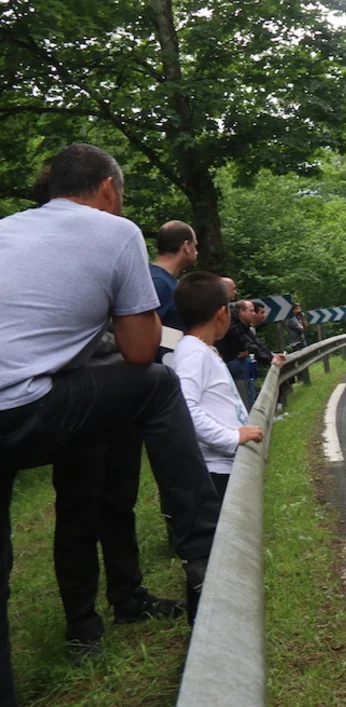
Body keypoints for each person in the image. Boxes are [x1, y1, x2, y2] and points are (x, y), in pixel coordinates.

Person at [0, 144, 221, 707]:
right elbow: (141, 350)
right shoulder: (115, 231)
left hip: (68, 392)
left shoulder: (8, 230)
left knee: (108, 501)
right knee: (155, 388)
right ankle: (203, 556)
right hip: (47, 397)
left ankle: (121, 601)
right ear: (107, 189)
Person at [30, 171, 185, 665]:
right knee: (78, 509)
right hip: (75, 396)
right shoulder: (40, 255)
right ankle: (82, 626)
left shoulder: (105, 245)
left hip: (117, 394)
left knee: (119, 500)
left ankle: (128, 596)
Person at [172, 273, 274, 497]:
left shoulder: (202, 349)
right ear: (221, 313)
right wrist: (232, 438)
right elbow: (185, 408)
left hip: (225, 466)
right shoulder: (193, 353)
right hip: (215, 472)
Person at [150, 220, 199, 331]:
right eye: (195, 246)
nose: (197, 252)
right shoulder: (160, 284)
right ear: (186, 247)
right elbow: (140, 329)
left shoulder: (153, 277)